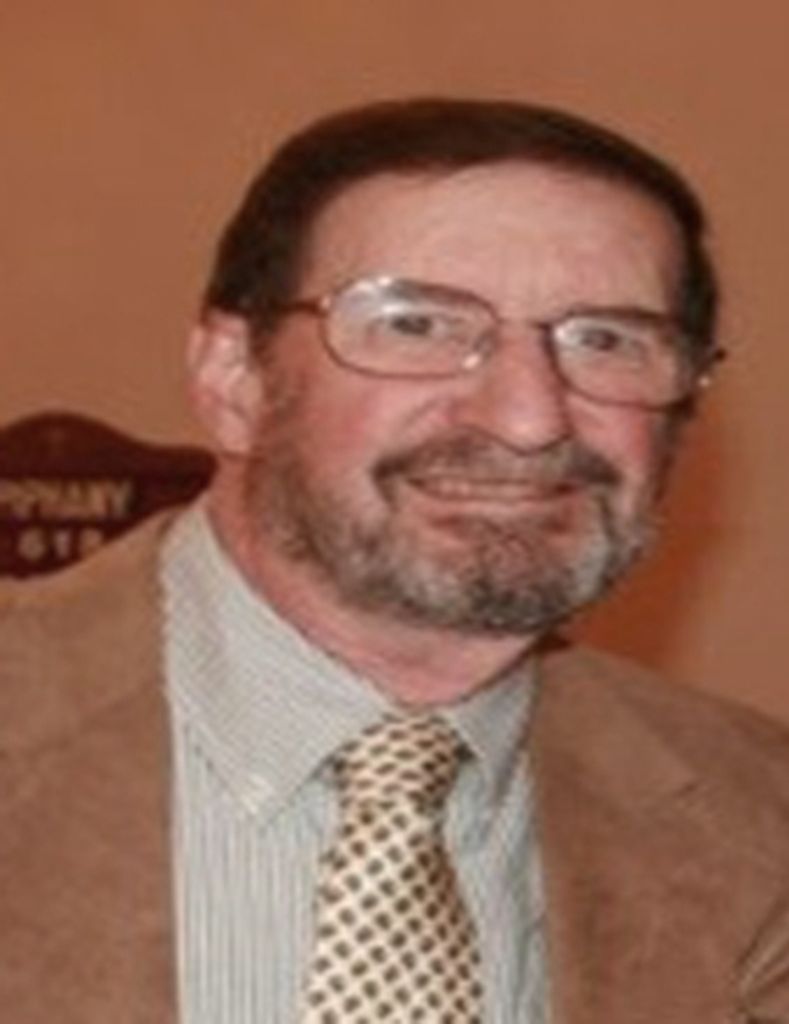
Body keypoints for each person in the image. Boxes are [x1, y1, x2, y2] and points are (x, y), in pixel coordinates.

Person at [2, 98, 788, 1024]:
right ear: (234, 379)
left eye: (606, 341)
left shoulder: (759, 822)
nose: (528, 418)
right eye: (417, 325)